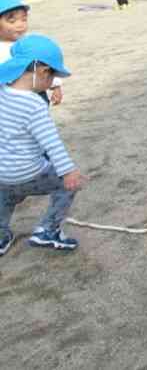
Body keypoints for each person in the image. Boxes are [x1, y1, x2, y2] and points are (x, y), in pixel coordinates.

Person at [0, 34, 82, 257]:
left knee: (5, 196)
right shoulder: (34, 104)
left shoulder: (1, 92)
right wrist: (68, 171)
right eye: (53, 75)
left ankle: (0, 236)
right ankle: (48, 231)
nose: (52, 81)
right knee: (67, 187)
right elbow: (52, 143)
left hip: (2, 173)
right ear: (43, 71)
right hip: (28, 172)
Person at [0, 0, 63, 106]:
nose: (20, 24)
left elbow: (45, 66)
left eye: (24, 19)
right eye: (12, 21)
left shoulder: (29, 44)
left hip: (35, 94)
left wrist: (56, 86)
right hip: (7, 100)